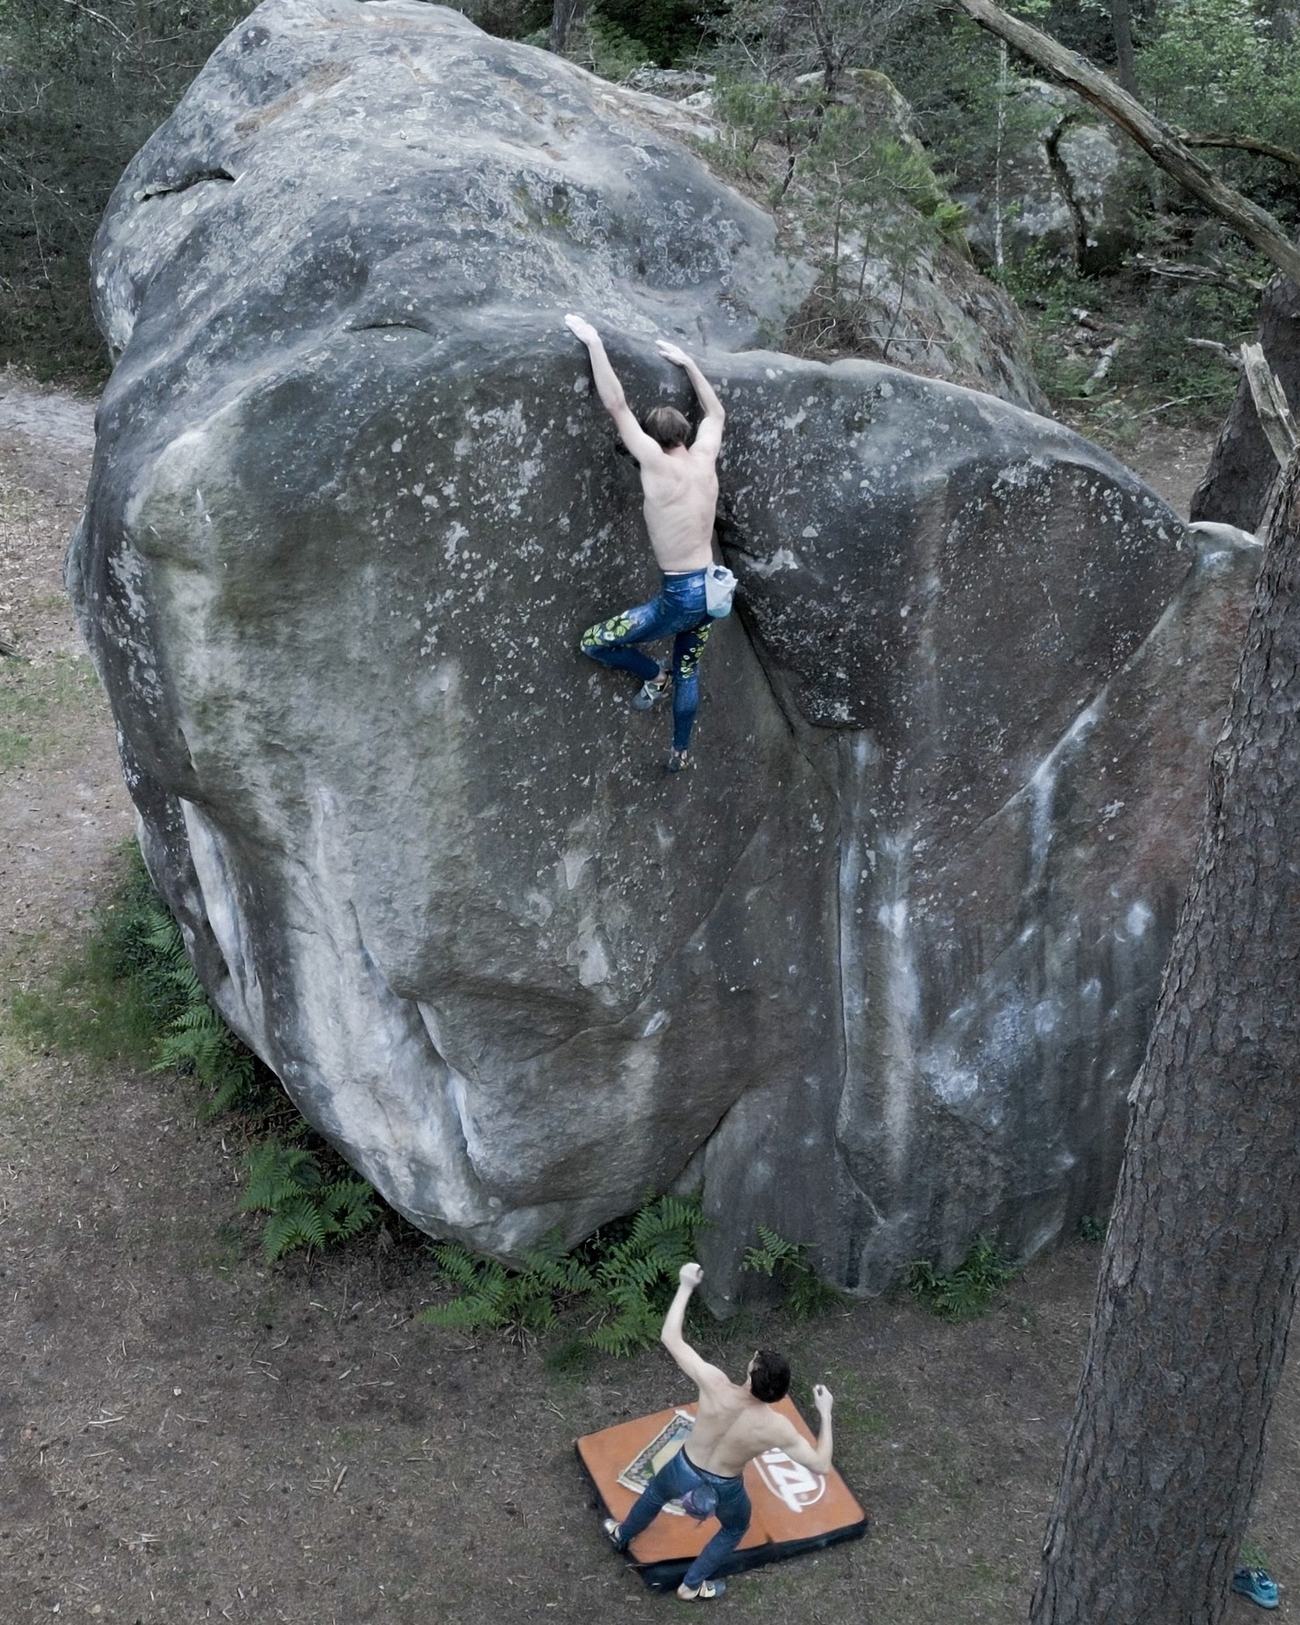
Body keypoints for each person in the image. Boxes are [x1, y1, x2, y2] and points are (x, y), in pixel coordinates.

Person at [603, 1261, 835, 1602]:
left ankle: (622, 1534)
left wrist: (685, 1286)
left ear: (750, 1371)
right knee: (734, 1528)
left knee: (655, 1494)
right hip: (725, 1488)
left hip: (683, 1467)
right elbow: (820, 1464)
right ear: (780, 1394)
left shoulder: (714, 1384)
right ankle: (692, 1584)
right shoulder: (776, 1426)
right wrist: (825, 1414)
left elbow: (670, 1336)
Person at [564, 314, 726, 773]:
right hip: (712, 592)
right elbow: (716, 414)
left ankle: (654, 676)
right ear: (686, 436)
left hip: (679, 597)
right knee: (690, 670)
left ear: (654, 440)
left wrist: (594, 342)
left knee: (594, 642)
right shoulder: (704, 457)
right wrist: (689, 364)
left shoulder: (654, 463)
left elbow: (616, 406)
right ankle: (679, 750)